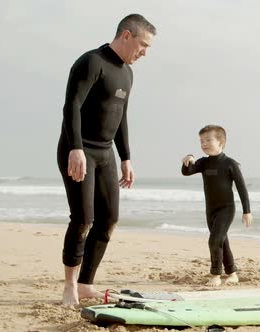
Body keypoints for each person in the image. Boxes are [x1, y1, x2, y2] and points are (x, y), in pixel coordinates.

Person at [57, 14, 156, 307]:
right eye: (143, 45)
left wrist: (126, 157)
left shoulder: (127, 72)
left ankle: (86, 283)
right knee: (83, 218)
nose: (145, 52)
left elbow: (121, 114)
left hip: (105, 153)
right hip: (79, 150)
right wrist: (75, 148)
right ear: (126, 35)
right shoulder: (91, 62)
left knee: (109, 218)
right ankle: (69, 285)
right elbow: (71, 105)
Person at [181, 125, 253, 287]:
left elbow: (242, 187)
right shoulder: (203, 163)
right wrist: (188, 158)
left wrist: (246, 211)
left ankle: (215, 275)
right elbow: (187, 172)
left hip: (226, 208)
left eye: (208, 139)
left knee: (214, 240)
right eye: (201, 141)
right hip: (210, 210)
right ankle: (232, 273)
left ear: (221, 142)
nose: (204, 143)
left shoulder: (230, 164)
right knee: (222, 241)